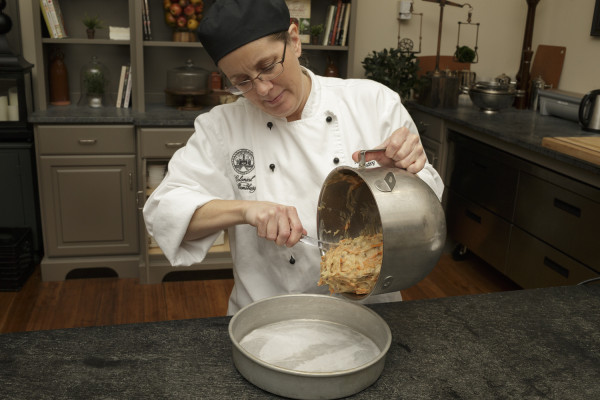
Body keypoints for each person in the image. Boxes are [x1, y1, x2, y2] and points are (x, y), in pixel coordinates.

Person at [143, 0, 444, 315]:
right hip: (268, 314)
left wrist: (406, 175)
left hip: (370, 310)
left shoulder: (373, 103)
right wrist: (246, 210)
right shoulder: (222, 127)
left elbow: (427, 212)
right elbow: (164, 211)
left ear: (295, 40)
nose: (262, 89)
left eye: (268, 66)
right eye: (241, 81)